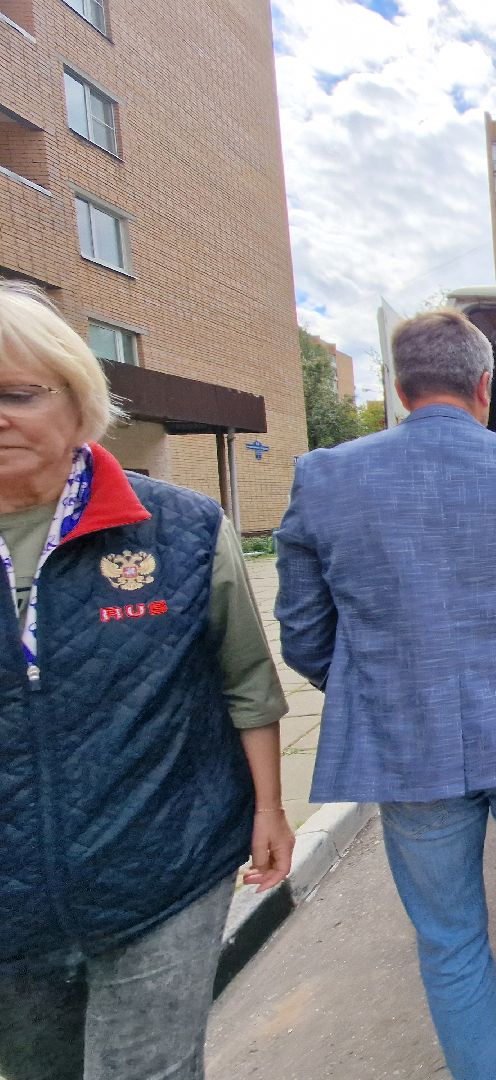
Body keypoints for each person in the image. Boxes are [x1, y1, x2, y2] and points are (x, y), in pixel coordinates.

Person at [275, 308, 496, 1080]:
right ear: (485, 386)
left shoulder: (327, 476)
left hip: (409, 748)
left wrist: (382, 693)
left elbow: (302, 630)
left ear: (400, 389)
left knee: (450, 941)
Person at [0, 282, 293, 1080]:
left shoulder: (180, 528)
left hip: (163, 863)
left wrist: (268, 806)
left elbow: (246, 674)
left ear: (77, 395)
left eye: (16, 394)